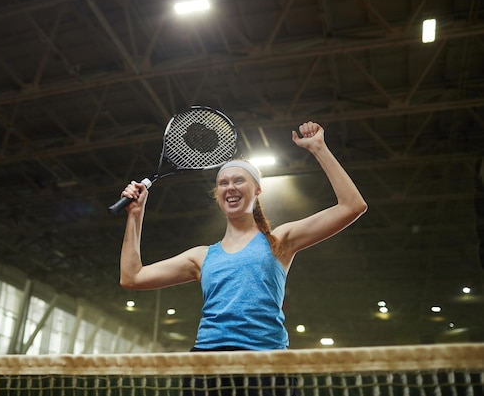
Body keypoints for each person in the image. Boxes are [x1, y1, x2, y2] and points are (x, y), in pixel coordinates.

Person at [118, 121, 367, 394]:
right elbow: (133, 277)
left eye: (239, 180)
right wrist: (135, 215)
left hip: (267, 366)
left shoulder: (280, 241)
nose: (230, 187)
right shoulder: (201, 257)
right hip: (207, 368)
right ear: (218, 195)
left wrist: (319, 148)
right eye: (223, 183)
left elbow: (352, 206)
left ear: (258, 190)